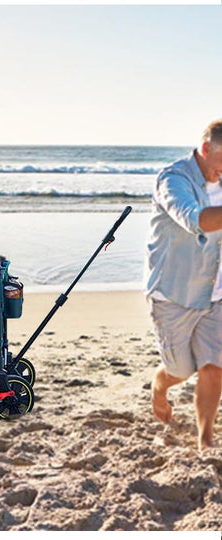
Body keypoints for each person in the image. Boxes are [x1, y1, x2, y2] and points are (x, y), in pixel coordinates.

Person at [145, 118, 222, 452]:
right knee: (182, 369)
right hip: (174, 293)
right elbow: (194, 220)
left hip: (217, 292)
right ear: (206, 150)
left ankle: (205, 439)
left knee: (214, 367)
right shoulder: (173, 179)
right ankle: (159, 387)